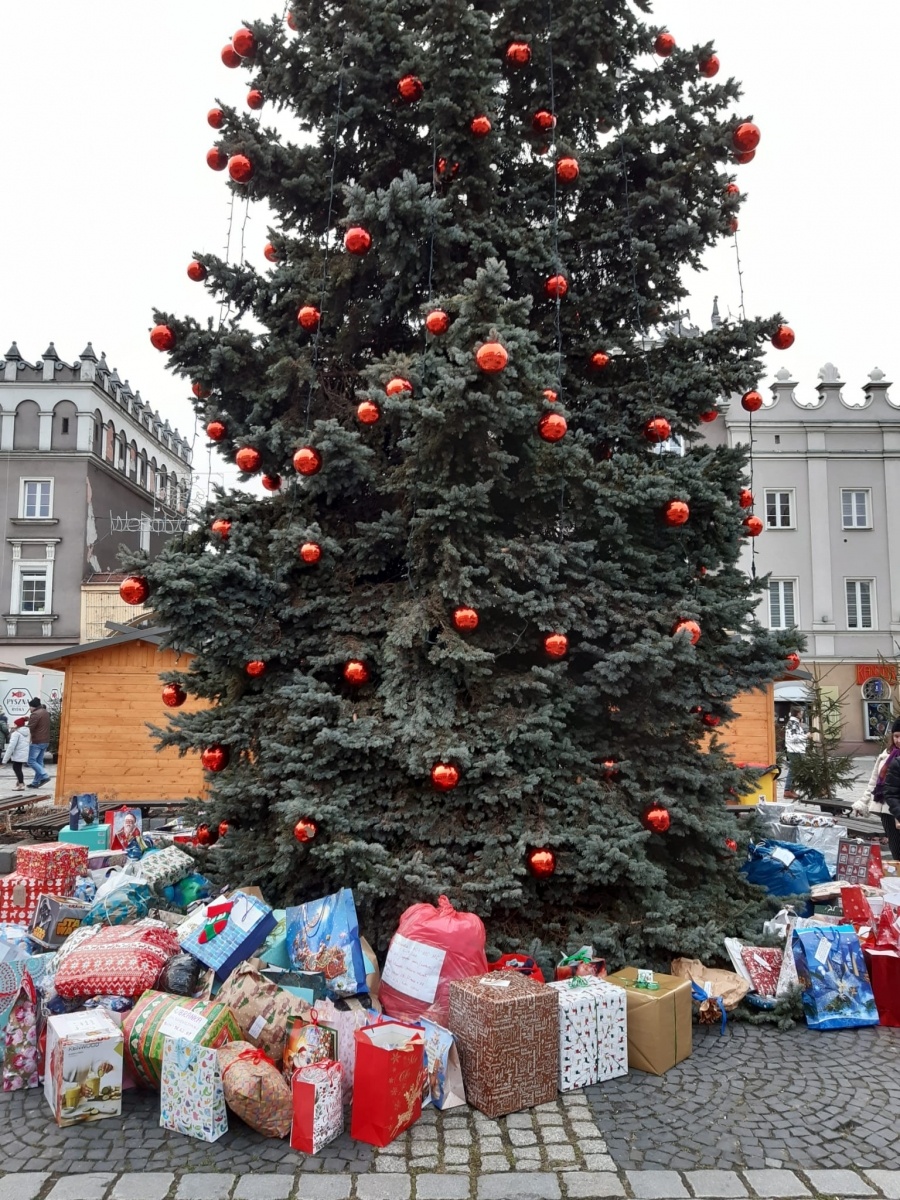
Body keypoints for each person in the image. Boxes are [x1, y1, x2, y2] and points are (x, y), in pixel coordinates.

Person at [866, 717, 900, 860]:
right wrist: (863, 802)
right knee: (897, 850)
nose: (899, 740)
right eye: (896, 736)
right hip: (887, 808)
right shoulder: (886, 756)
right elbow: (874, 781)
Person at [782, 710, 808, 799]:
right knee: (793, 770)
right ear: (797, 713)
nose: (802, 714)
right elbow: (793, 738)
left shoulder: (795, 723)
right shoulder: (793, 723)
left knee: (795, 771)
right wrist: (806, 736)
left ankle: (790, 790)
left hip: (797, 750)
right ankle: (787, 790)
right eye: (801, 713)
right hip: (794, 750)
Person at [26, 697, 51, 789]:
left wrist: (18, 727)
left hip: (37, 741)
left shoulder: (35, 714)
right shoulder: (45, 712)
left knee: (31, 761)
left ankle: (44, 775)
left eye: (30, 707)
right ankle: (36, 782)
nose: (29, 709)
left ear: (34, 706)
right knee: (39, 762)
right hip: (45, 740)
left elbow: (30, 727)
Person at [2, 717, 31, 790]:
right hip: (23, 753)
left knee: (16, 768)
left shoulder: (16, 734)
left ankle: (21, 784)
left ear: (17, 725)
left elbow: (11, 747)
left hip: (18, 753)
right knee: (18, 768)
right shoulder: (27, 732)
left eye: (14, 724)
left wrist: (5, 759)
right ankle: (20, 782)